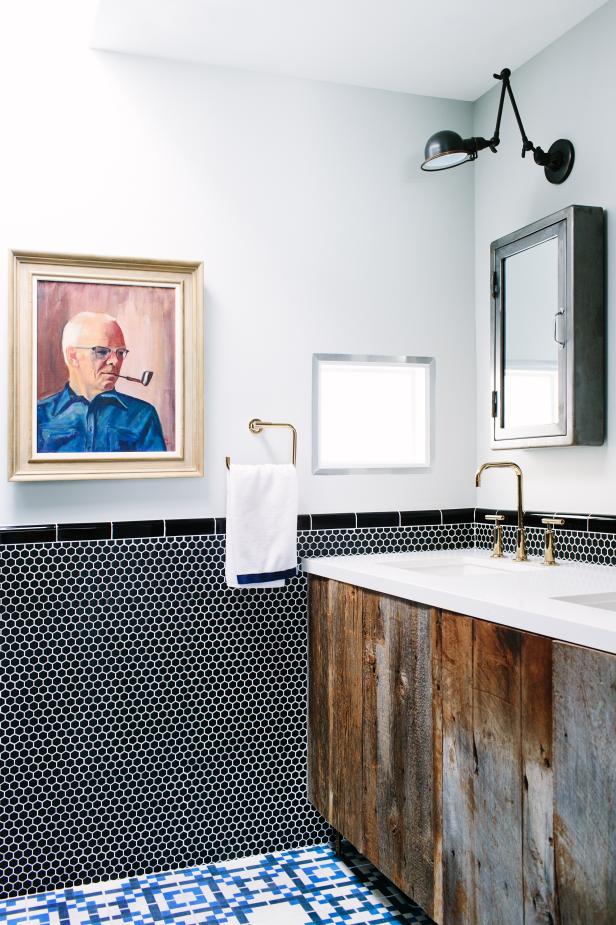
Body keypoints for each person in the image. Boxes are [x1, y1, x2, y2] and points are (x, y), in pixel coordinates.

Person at [37, 312, 166, 453]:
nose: (115, 361)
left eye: (120, 352)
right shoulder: (39, 414)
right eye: (102, 352)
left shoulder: (143, 415)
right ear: (73, 356)